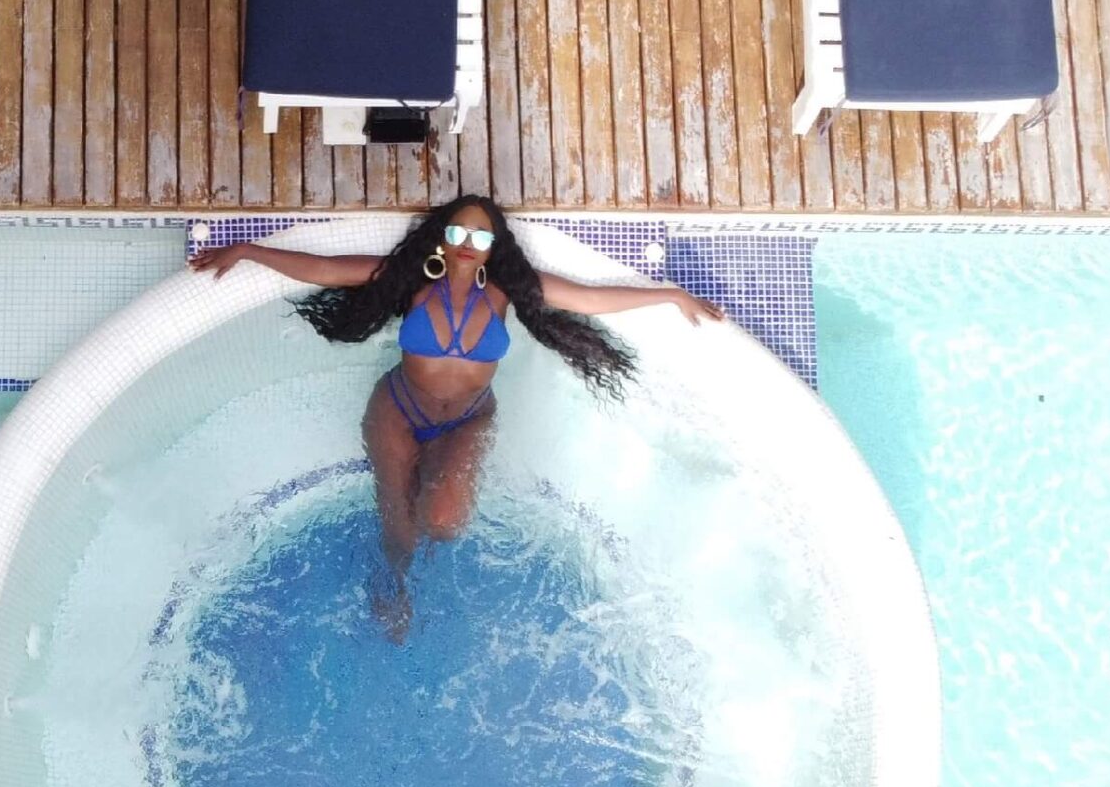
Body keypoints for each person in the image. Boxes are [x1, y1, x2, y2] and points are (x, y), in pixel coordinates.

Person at [190, 196, 725, 630]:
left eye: (481, 237)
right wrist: (247, 251)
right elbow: (328, 269)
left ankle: (429, 501)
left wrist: (670, 295)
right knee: (399, 528)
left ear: (495, 248)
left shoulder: (505, 294)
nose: (468, 246)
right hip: (398, 410)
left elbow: (588, 299)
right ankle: (393, 587)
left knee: (443, 522)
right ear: (441, 238)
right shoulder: (412, 282)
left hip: (468, 416)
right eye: (459, 234)